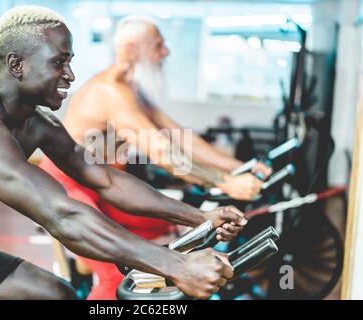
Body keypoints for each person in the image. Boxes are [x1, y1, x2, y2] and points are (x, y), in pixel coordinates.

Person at [0, 6, 246, 300]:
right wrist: (177, 266)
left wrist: (198, 217)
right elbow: (61, 216)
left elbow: (105, 180)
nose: (70, 76)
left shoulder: (37, 123)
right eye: (59, 63)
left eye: (69, 62)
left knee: (55, 293)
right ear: (17, 65)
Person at [39, 15, 270, 299]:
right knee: (118, 272)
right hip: (69, 184)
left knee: (163, 227)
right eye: (159, 46)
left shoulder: (133, 89)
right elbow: (162, 152)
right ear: (133, 49)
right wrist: (225, 183)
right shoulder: (110, 92)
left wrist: (237, 168)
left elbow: (177, 135)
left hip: (103, 181)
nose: (166, 52)